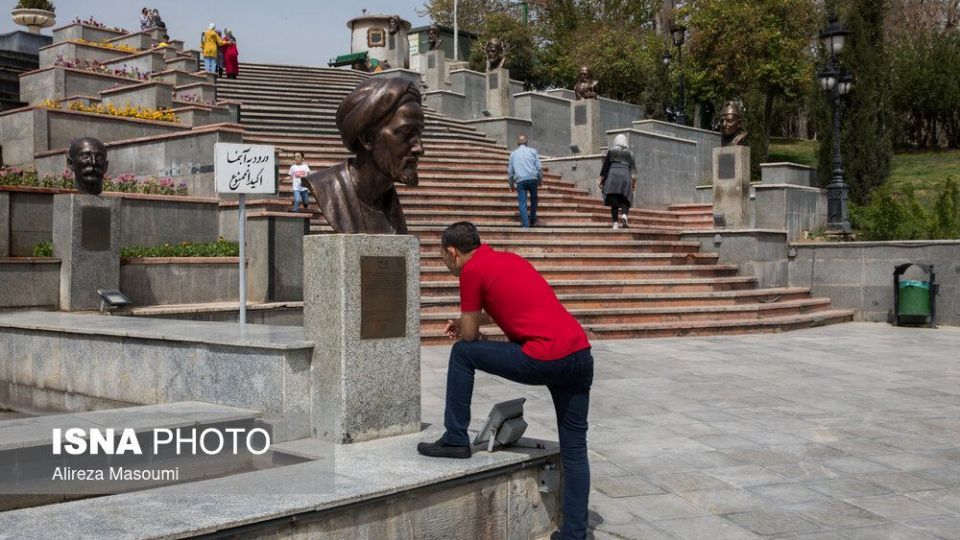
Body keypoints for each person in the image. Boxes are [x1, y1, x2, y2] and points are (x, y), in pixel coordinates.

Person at [417, 221, 593, 540]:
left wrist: (466, 327)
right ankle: (575, 535)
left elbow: (469, 337)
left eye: (442, 257)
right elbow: (509, 305)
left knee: (462, 353)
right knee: (575, 447)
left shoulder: (470, 271)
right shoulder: (508, 260)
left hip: (544, 357)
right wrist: (468, 322)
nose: (445, 263)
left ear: (452, 252)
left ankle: (455, 438)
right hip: (579, 354)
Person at [303, 77, 423, 234]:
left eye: (419, 134)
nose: (419, 148)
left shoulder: (387, 201)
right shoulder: (327, 188)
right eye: (406, 134)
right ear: (368, 139)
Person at [597, 134, 636, 229]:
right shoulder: (630, 153)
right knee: (626, 197)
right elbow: (633, 169)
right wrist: (634, 181)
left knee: (614, 199)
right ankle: (624, 215)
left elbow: (606, 165)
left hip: (613, 175)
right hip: (625, 176)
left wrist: (601, 178)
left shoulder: (611, 151)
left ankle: (615, 223)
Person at [507, 135, 541, 229]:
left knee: (522, 203)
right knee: (534, 199)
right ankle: (533, 218)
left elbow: (510, 172)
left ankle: (525, 225)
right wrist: (540, 180)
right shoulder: (533, 151)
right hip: (533, 179)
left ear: (517, 143)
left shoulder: (513, 154)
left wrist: (511, 184)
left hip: (520, 181)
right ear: (526, 142)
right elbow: (539, 168)